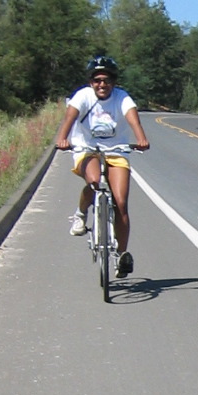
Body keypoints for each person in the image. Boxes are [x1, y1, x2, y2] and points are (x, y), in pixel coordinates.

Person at [55, 54, 150, 277]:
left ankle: (121, 256)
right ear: (91, 82)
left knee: (121, 202)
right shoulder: (83, 96)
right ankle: (80, 213)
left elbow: (132, 117)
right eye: (97, 80)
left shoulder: (121, 97)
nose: (102, 84)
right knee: (95, 182)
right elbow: (70, 116)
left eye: (106, 80)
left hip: (116, 151)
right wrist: (62, 138)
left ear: (113, 82)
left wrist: (141, 137)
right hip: (86, 149)